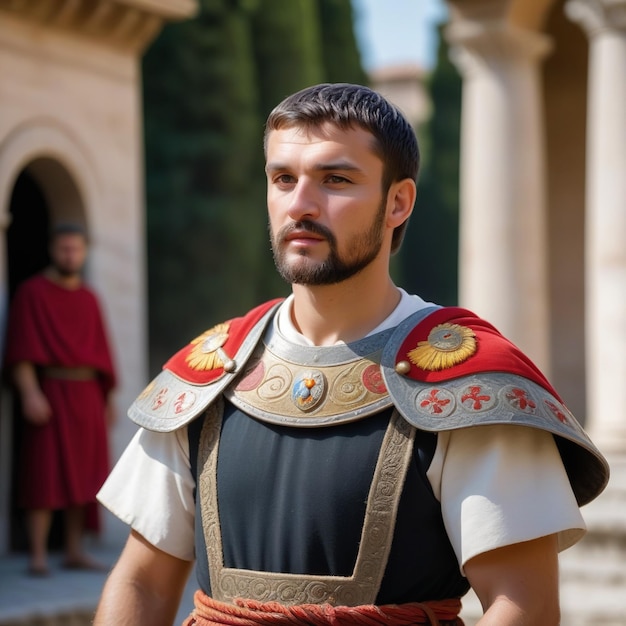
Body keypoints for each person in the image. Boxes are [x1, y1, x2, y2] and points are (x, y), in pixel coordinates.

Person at [94, 83, 609, 626]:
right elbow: (142, 583)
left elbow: (522, 606)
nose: (300, 204)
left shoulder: (475, 383)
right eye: (282, 179)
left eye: (335, 180)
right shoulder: (207, 373)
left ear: (398, 202)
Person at [5, 222, 117, 576]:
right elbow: (20, 349)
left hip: (87, 396)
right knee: (44, 474)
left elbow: (102, 354)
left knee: (85, 476)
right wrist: (29, 393)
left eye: (76, 249)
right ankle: (38, 555)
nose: (70, 254)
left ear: (84, 251)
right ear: (52, 250)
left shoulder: (89, 298)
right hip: (49, 393)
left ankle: (73, 550)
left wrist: (107, 401)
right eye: (63, 248)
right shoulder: (32, 293)